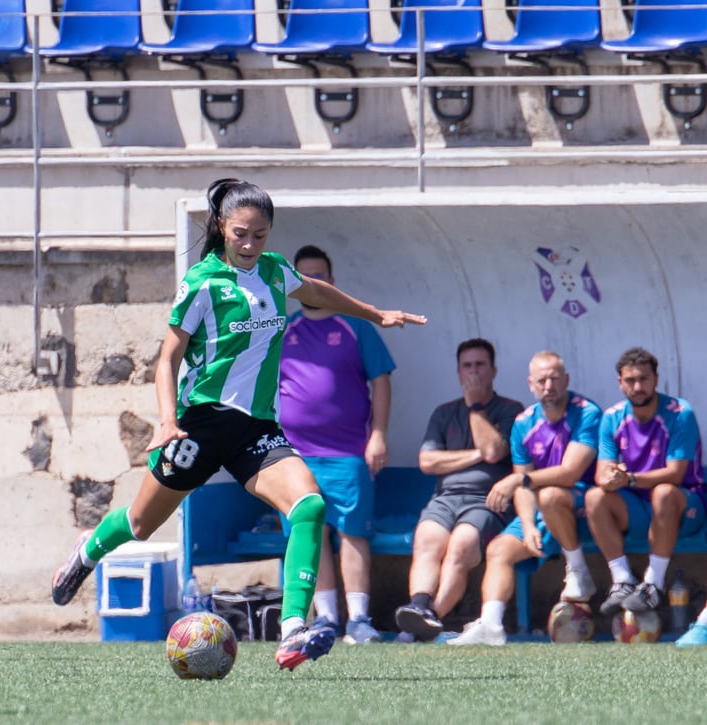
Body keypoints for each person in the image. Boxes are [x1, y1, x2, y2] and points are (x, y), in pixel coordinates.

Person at [49, 178, 426, 671]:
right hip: (199, 425)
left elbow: (315, 291)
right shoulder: (203, 282)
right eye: (241, 234)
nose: (250, 245)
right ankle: (88, 550)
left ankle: (293, 629)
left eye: (261, 235)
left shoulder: (274, 272)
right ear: (222, 228)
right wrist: (166, 421)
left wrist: (374, 314)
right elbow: (167, 360)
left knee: (309, 505)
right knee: (140, 525)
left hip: (256, 430)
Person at [278, 244, 396, 645]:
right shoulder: (283, 330)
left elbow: (381, 381)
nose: (313, 282)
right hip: (293, 456)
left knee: (352, 532)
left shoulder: (357, 327)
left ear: (332, 281)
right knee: (310, 532)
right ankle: (325, 617)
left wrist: (378, 434)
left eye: (320, 275)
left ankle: (359, 620)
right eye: (305, 276)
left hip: (348, 452)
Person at [447, 351, 601, 646]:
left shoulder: (586, 412)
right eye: (542, 380)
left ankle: (579, 571)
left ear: (566, 380)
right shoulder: (524, 423)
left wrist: (520, 479)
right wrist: (528, 525)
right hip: (544, 507)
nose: (549, 386)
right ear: (531, 384)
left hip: (586, 506)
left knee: (552, 494)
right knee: (499, 549)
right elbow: (524, 488)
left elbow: (570, 473)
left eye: (555, 379)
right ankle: (491, 625)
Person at [395, 338, 523, 642]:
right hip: (445, 498)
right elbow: (427, 461)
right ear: (458, 372)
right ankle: (419, 606)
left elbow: (494, 451)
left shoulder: (510, 410)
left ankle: (430, 620)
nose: (474, 372)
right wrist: (476, 455)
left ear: (493, 370)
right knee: (427, 539)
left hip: (486, 500)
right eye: (467, 366)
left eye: (480, 365)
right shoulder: (444, 413)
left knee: (461, 545)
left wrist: (477, 407)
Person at [588, 347, 706, 619]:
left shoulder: (679, 413)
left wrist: (627, 478)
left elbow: (676, 474)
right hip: (640, 506)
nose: (638, 386)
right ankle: (622, 580)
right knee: (595, 496)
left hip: (686, 505)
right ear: (620, 383)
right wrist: (611, 478)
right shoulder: (612, 417)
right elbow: (601, 473)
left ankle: (654, 583)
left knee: (664, 492)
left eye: (644, 379)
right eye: (630, 381)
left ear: (656, 378)